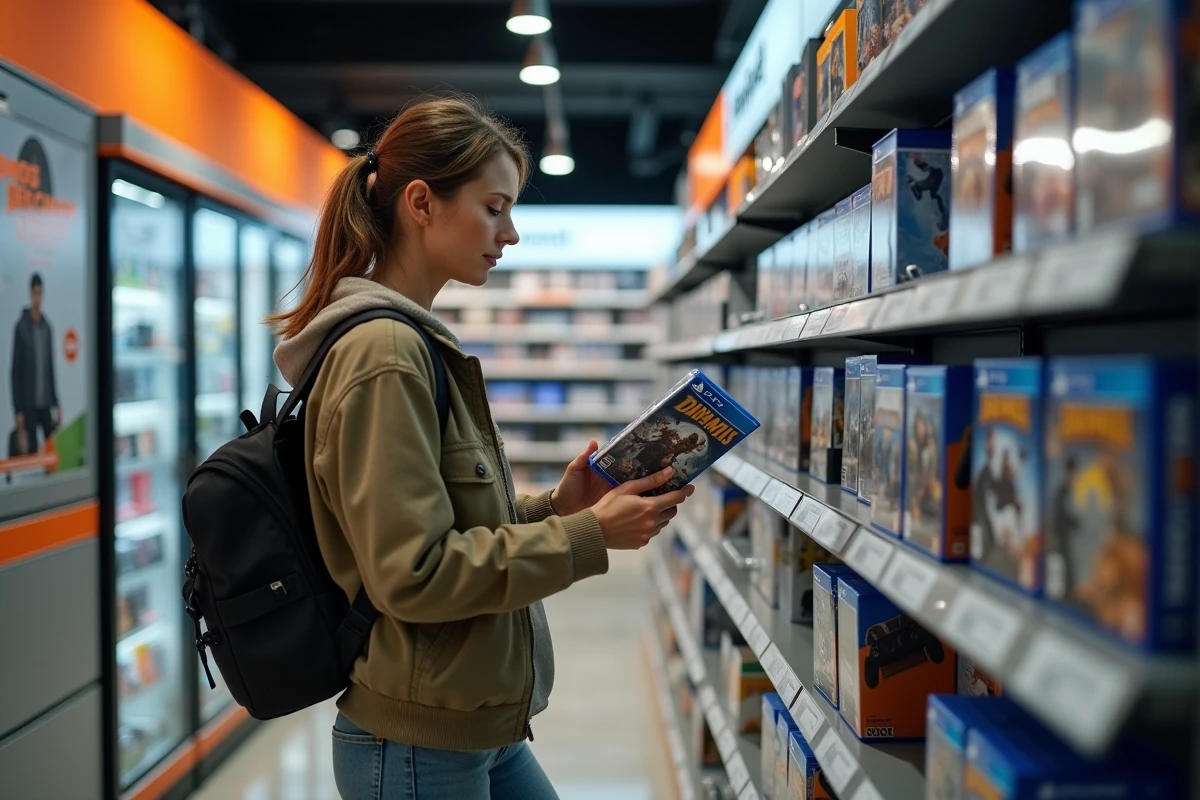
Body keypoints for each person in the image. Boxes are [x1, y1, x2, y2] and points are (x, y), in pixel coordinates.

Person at [269, 97, 694, 800]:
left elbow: (447, 527)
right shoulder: (386, 354)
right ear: (421, 203)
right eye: (495, 208)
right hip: (416, 745)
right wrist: (589, 536)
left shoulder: (413, 343)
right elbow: (414, 575)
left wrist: (559, 506)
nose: (513, 233)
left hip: (471, 726)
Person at [10, 273, 60, 451]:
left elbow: (50, 367)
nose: (37, 297)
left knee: (52, 452)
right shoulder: (21, 328)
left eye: (40, 292)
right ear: (30, 293)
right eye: (35, 292)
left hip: (45, 402)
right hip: (28, 404)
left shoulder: (47, 327)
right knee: (32, 453)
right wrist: (18, 410)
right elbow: (15, 372)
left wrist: (56, 403)